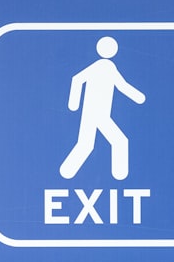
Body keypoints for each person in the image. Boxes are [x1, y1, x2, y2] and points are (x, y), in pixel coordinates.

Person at [60, 36, 145, 180]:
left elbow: (121, 85)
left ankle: (67, 172)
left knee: (86, 144)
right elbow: (77, 79)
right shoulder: (102, 66)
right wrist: (73, 104)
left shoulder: (108, 67)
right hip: (96, 114)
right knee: (119, 141)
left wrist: (138, 97)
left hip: (96, 114)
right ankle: (119, 175)